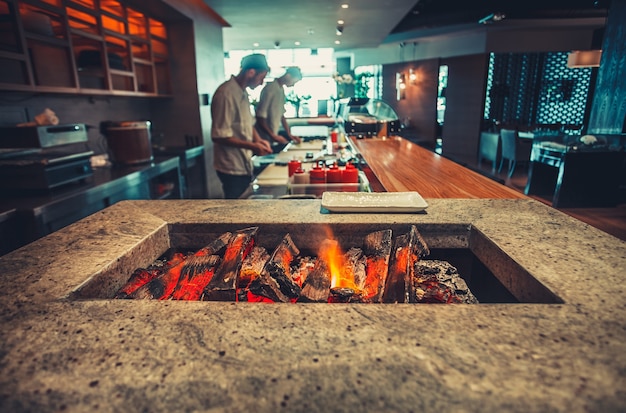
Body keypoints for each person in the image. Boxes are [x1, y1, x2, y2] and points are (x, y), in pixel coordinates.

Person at [211, 53, 273, 199]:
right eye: (261, 77)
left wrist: (258, 141)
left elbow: (249, 124)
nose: (262, 82)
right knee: (237, 208)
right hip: (231, 165)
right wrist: (253, 146)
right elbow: (219, 136)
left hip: (244, 163)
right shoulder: (226, 94)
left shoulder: (243, 93)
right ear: (251, 72)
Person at [255, 66, 303, 150]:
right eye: (294, 82)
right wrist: (273, 136)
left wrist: (289, 134)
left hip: (273, 135)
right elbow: (260, 116)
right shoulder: (270, 88)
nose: (293, 85)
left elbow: (281, 114)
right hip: (263, 137)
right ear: (288, 76)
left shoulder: (281, 89)